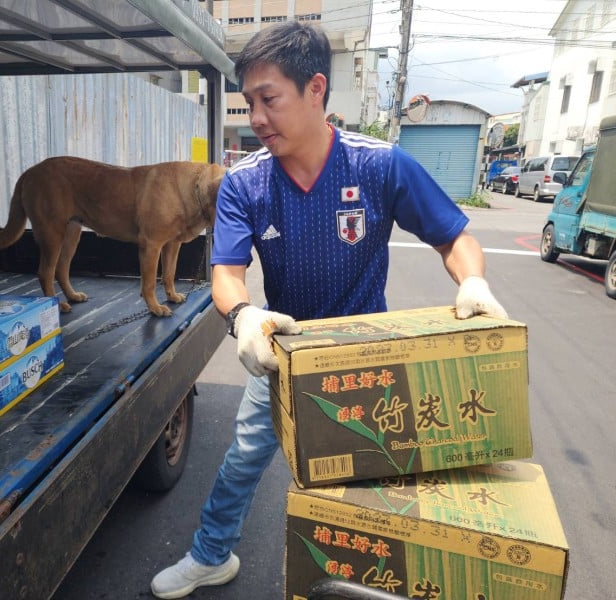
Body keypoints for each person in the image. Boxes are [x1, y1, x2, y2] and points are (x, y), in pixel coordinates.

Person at [150, 21, 507, 600]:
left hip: (364, 359)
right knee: (242, 460)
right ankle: (210, 556)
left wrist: (473, 282)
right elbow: (227, 273)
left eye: (269, 99)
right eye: (249, 102)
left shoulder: (379, 166)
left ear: (315, 88)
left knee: (370, 480)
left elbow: (453, 236)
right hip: (282, 353)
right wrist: (244, 318)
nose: (256, 117)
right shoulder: (245, 184)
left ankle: (366, 582)